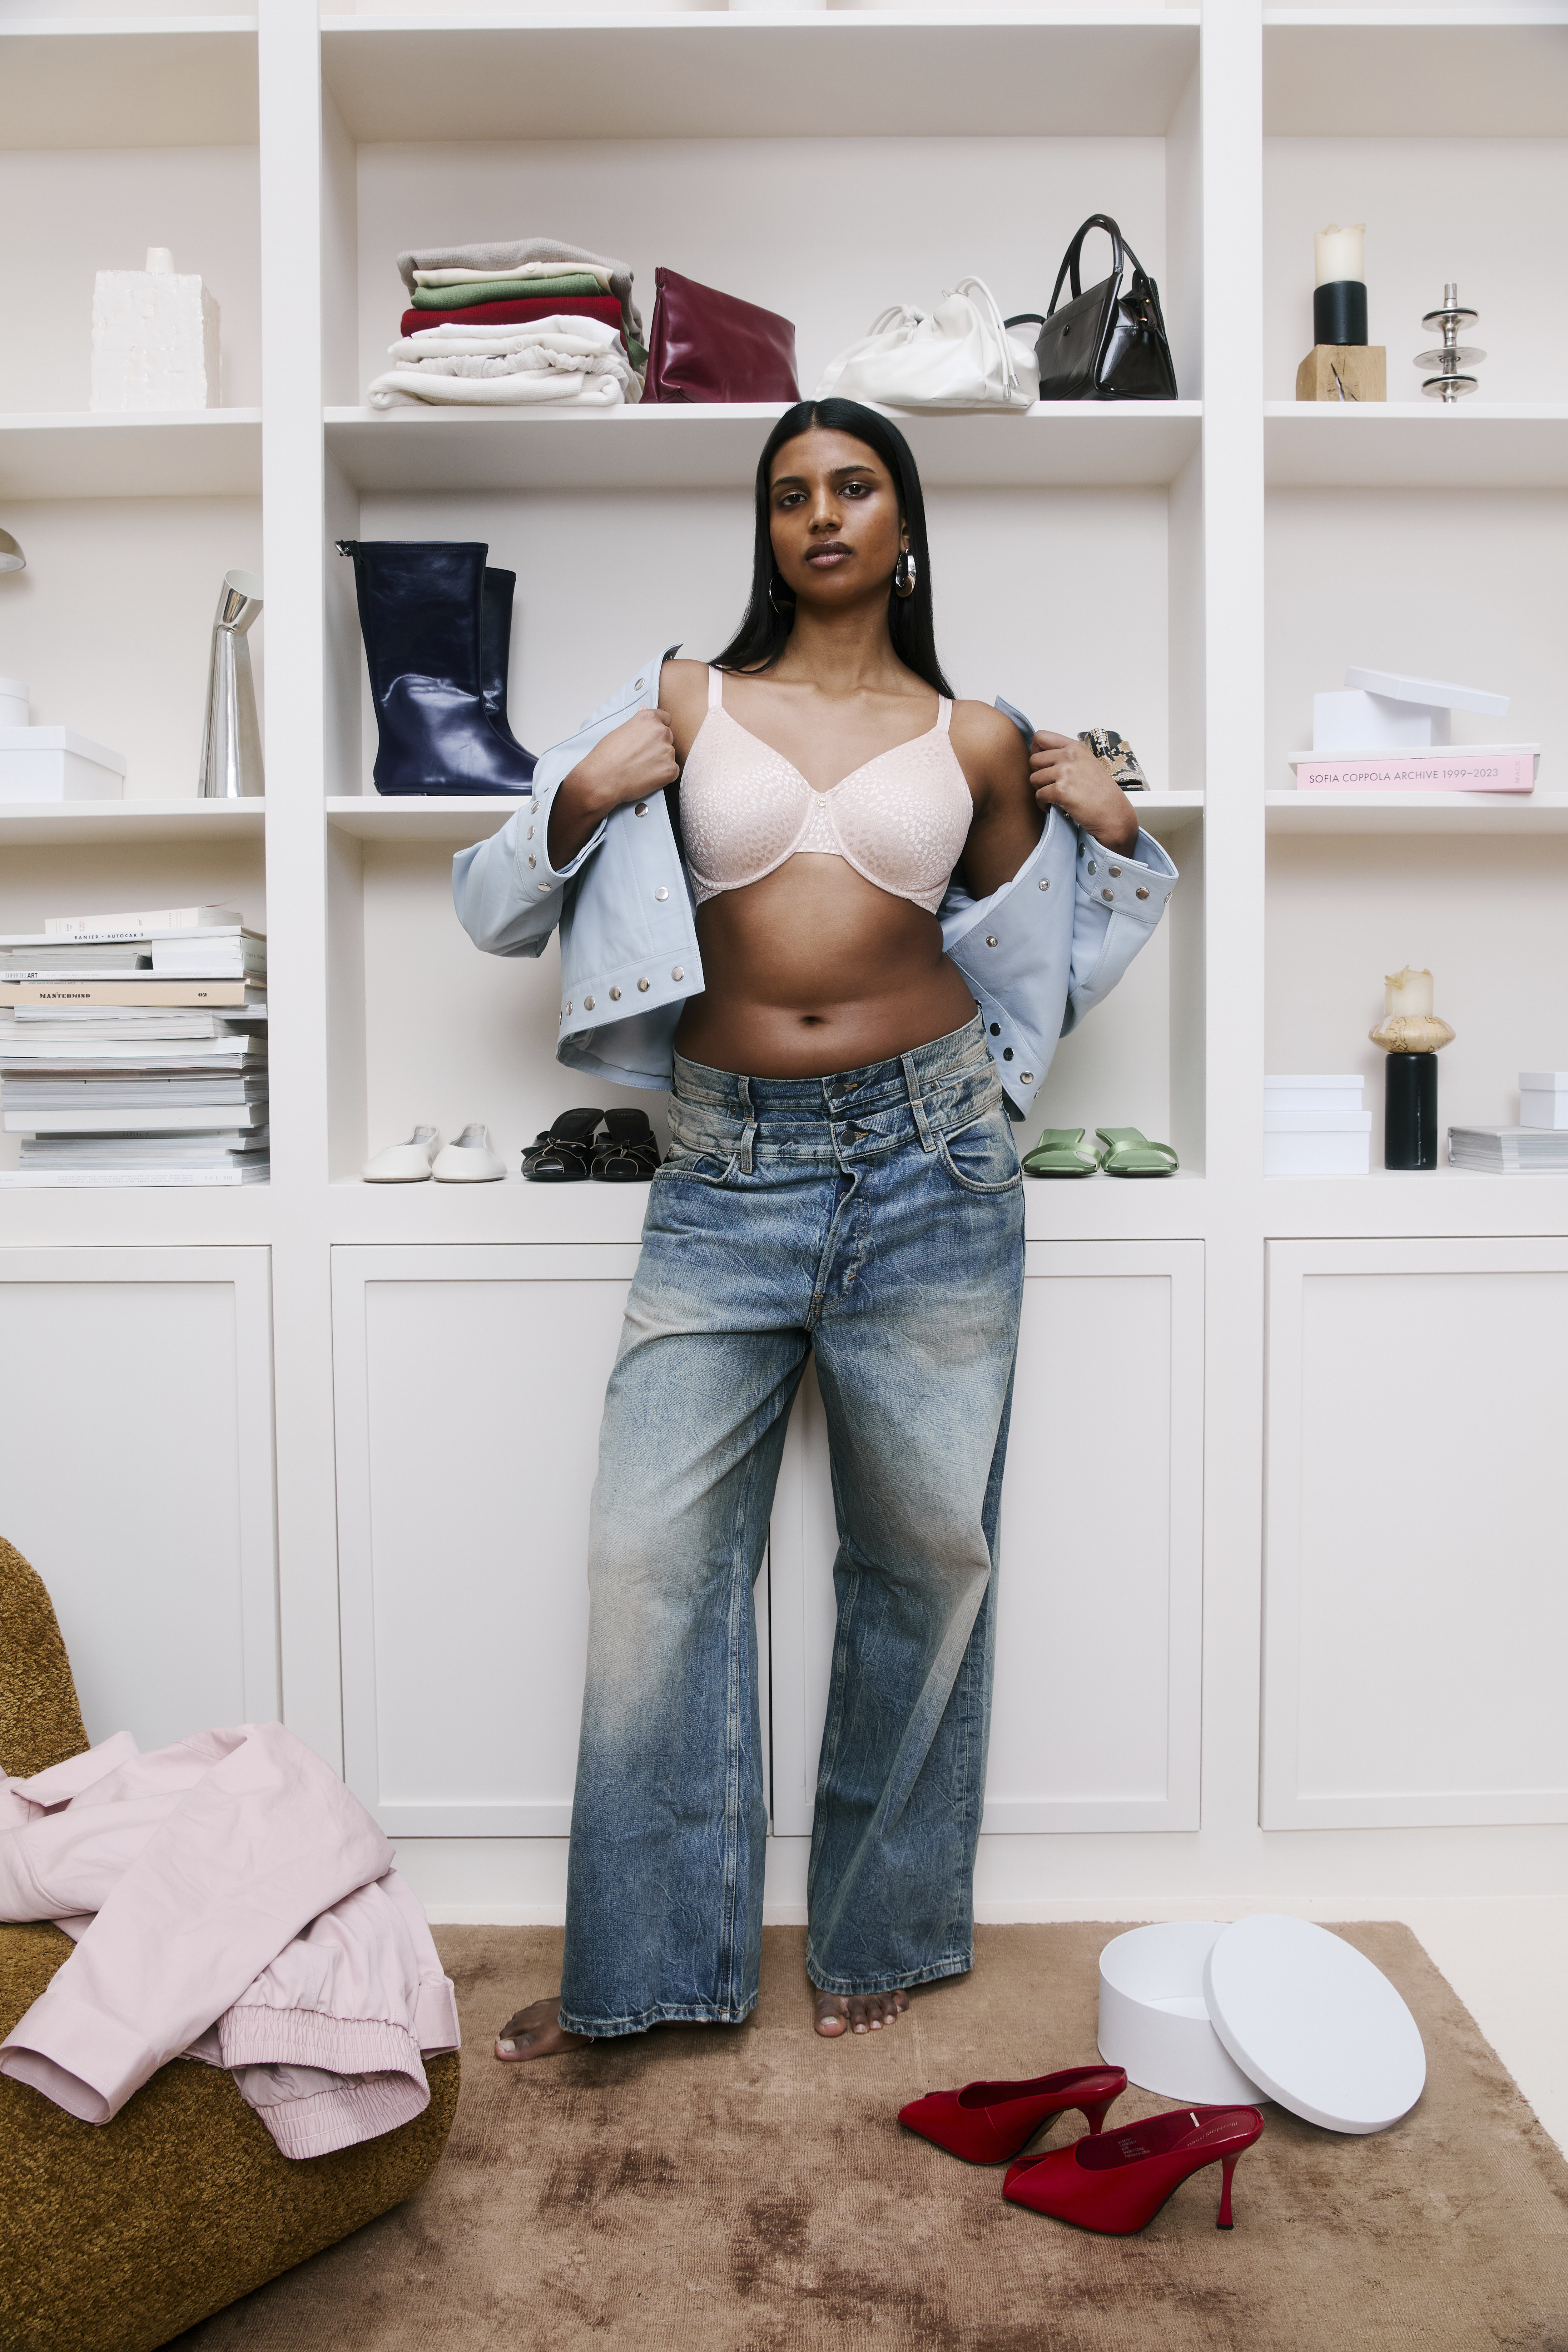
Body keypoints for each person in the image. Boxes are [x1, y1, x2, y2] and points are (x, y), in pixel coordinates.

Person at [451, 398, 1175, 2057]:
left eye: (853, 487)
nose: (821, 514)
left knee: (923, 1556)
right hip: (720, 1170)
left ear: (903, 524)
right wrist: (576, 798)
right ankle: (643, 1964)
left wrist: (1121, 840)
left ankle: (882, 1927)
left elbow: (1035, 968)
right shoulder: (682, 701)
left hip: (931, 1167)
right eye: (790, 495)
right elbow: (489, 903)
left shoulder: (980, 736)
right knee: (649, 1557)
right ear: (765, 531)